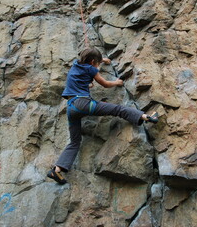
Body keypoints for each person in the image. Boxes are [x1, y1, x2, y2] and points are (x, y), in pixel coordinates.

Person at [47, 47, 158, 184]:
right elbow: (105, 84)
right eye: (97, 63)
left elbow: (86, 68)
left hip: (71, 107)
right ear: (93, 62)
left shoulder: (75, 65)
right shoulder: (91, 69)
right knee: (117, 109)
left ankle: (57, 170)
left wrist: (101, 62)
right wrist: (117, 82)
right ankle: (146, 117)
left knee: (75, 141)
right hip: (84, 104)